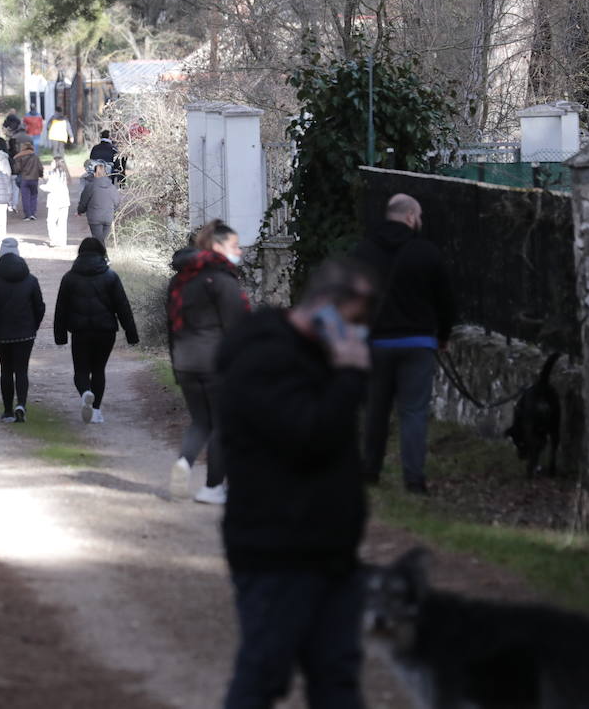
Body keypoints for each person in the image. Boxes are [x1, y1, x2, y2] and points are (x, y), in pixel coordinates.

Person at [216, 258, 376, 708]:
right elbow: (309, 436)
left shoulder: (317, 354)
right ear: (324, 307)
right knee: (264, 674)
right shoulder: (263, 360)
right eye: (354, 321)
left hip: (330, 551)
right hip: (276, 551)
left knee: (338, 679)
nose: (359, 333)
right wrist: (348, 375)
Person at [353, 193, 455, 495]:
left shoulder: (363, 253)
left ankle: (370, 471)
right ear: (410, 216)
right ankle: (414, 479)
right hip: (418, 342)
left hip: (376, 343)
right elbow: (445, 300)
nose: (420, 221)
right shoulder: (427, 253)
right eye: (419, 216)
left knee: (375, 410)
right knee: (413, 412)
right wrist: (444, 336)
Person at [167, 220, 251, 504]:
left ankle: (184, 464)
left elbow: (172, 325)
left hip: (185, 359)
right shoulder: (223, 280)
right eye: (235, 246)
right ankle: (213, 487)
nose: (239, 251)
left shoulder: (180, 279)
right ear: (217, 247)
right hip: (217, 362)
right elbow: (238, 327)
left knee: (201, 422)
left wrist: (175, 363)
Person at [53, 237, 138, 423]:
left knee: (81, 371)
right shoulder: (111, 276)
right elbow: (122, 306)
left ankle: (85, 393)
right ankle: (97, 411)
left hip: (80, 332)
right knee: (99, 370)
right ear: (102, 253)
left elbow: (61, 309)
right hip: (105, 331)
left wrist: (60, 336)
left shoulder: (69, 278)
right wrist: (131, 334)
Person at [0, 237, 45, 423]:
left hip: (1, 335)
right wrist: (34, 326)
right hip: (26, 333)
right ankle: (21, 405)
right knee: (22, 371)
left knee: (6, 371)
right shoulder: (31, 280)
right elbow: (39, 307)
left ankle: (8, 411)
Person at [77, 162, 120, 245]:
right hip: (108, 217)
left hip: (95, 218)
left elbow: (83, 202)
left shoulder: (90, 186)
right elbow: (117, 202)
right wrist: (111, 211)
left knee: (98, 241)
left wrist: (80, 211)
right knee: (101, 241)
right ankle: (103, 257)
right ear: (106, 174)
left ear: (94, 173)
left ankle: (103, 257)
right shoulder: (112, 187)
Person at [39, 160, 72, 247]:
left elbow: (50, 187)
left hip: (54, 201)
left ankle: (54, 239)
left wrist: (41, 186)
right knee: (62, 222)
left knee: (51, 221)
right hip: (65, 201)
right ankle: (62, 241)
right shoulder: (66, 174)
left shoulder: (53, 174)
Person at [12, 140, 44, 221]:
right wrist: (40, 175)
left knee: (25, 197)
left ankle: (27, 215)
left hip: (24, 179)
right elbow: (40, 168)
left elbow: (17, 169)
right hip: (34, 179)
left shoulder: (19, 157)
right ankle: (33, 213)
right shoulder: (35, 157)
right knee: (33, 196)